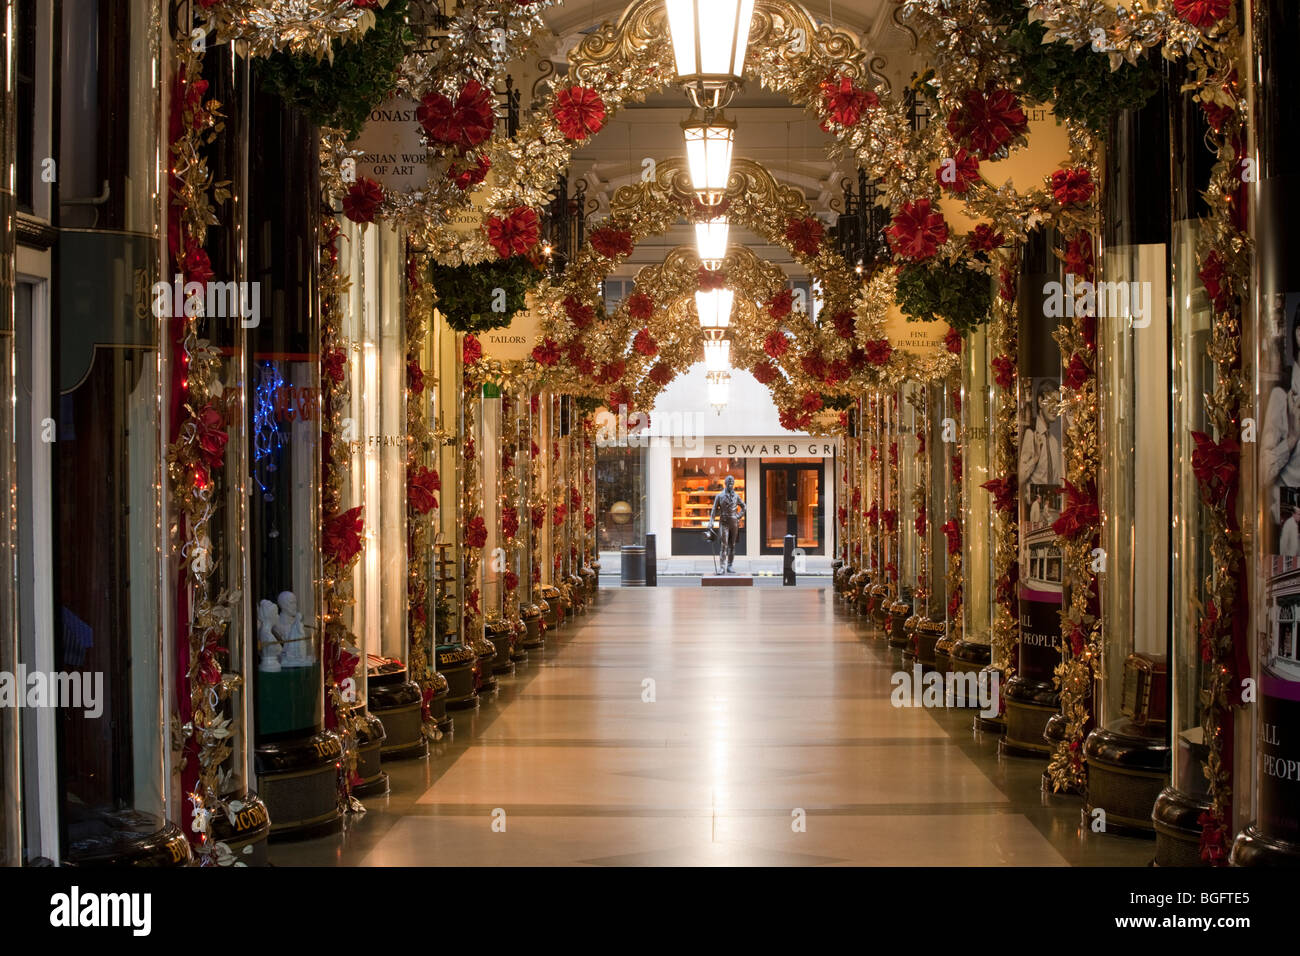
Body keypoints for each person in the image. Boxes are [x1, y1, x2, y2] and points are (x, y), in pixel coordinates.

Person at [707, 474, 746, 574]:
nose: (730, 485)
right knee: (723, 545)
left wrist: (738, 516)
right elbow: (714, 509)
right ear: (725, 484)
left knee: (732, 545)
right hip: (724, 522)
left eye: (732, 483)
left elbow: (744, 507)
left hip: (734, 523)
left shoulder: (736, 496)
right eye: (729, 483)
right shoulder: (719, 496)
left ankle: (730, 565)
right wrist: (711, 521)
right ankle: (722, 567)